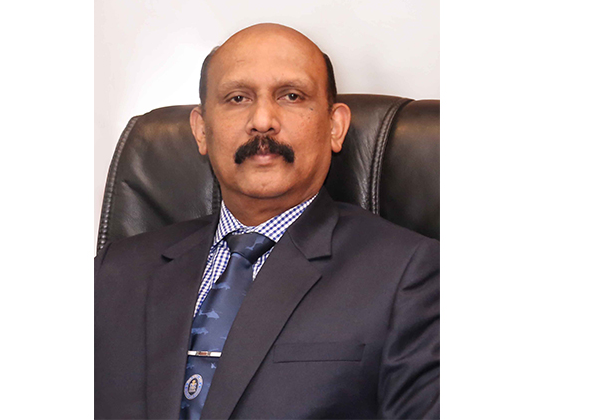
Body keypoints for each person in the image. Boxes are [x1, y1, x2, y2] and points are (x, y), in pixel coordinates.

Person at [95, 23, 439, 419]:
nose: (262, 120)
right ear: (202, 130)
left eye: (291, 96)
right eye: (237, 97)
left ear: (335, 126)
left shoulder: (412, 276)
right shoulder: (114, 274)